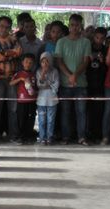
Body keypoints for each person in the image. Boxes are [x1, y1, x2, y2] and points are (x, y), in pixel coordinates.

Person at [55, 13, 91, 145]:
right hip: (65, 84)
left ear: (81, 26)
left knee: (81, 112)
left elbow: (86, 61)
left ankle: (81, 137)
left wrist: (75, 75)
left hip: (81, 84)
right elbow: (59, 61)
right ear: (69, 26)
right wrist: (70, 75)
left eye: (77, 25)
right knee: (65, 112)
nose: (74, 28)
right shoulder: (61, 41)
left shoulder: (86, 42)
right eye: (72, 25)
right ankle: (66, 137)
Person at [0, 16, 22, 142]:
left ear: (10, 28)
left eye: (7, 27)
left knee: (13, 108)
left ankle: (13, 135)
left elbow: (18, 52)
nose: (4, 29)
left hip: (12, 77)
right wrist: (8, 53)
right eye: (1, 26)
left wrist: (3, 54)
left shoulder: (14, 39)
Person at [11, 53, 38, 144]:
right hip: (21, 101)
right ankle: (19, 137)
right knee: (21, 119)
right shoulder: (19, 74)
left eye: (30, 63)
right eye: (26, 62)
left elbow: (37, 87)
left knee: (30, 119)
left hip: (32, 100)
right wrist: (21, 79)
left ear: (33, 64)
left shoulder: (34, 74)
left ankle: (28, 136)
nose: (28, 64)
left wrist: (35, 92)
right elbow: (11, 83)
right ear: (22, 63)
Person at [36, 52, 60, 145]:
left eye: (47, 62)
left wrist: (46, 85)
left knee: (50, 120)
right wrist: (43, 74)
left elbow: (56, 85)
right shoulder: (38, 71)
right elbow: (39, 85)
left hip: (52, 100)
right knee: (42, 120)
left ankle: (50, 137)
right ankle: (42, 138)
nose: (45, 64)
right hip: (41, 100)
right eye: (43, 62)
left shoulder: (55, 71)